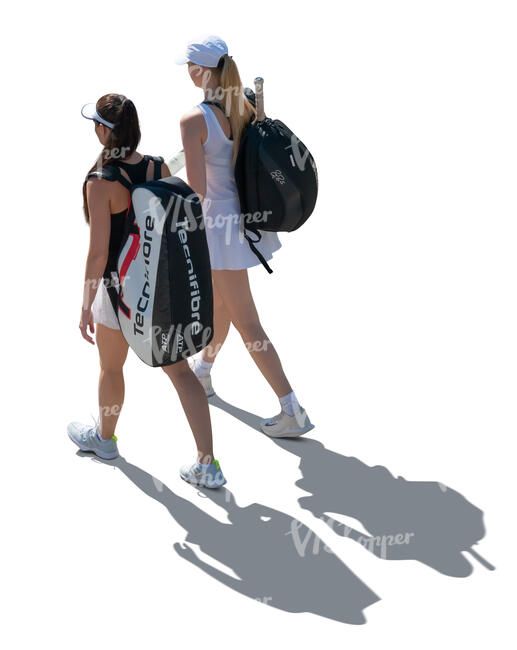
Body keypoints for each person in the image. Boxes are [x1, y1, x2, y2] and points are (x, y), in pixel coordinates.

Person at [67, 93, 226, 488]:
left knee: (110, 368)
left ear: (105, 131)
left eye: (97, 123)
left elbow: (98, 253)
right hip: (159, 288)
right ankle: (208, 464)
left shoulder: (100, 182)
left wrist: (86, 305)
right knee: (181, 372)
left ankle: (105, 440)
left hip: (118, 292)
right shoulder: (155, 165)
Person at [176, 35, 314, 438]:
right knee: (223, 307)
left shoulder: (193, 120)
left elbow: (197, 191)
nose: (187, 72)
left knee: (248, 323)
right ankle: (204, 371)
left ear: (200, 70)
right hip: (242, 223)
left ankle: (292, 409)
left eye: (189, 65)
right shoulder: (247, 106)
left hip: (217, 229)